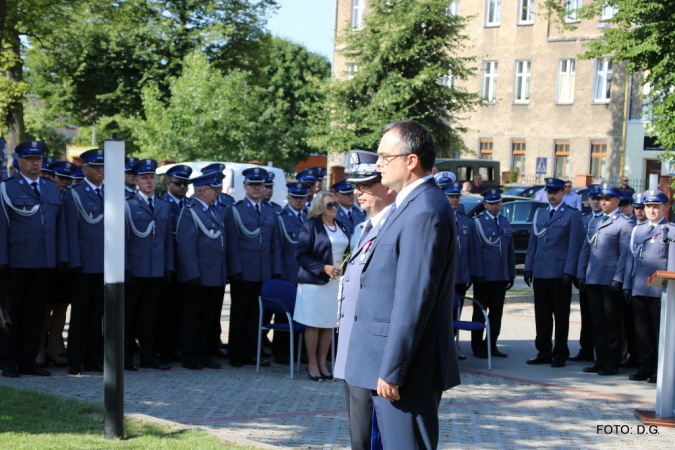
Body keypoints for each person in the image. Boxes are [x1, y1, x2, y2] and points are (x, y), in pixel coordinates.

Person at [344, 121, 459, 450]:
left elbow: (414, 298)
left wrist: (394, 368)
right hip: (385, 364)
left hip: (403, 372)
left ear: (410, 161)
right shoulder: (409, 204)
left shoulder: (424, 209)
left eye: (384, 157)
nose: (378, 164)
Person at [335, 150, 396, 450]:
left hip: (375, 356)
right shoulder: (366, 228)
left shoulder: (393, 226)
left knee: (372, 440)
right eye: (355, 185)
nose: (356, 191)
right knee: (359, 438)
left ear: (385, 185)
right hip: (353, 352)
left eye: (365, 184)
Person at [0, 140, 68, 378]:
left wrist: (61, 256)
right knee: (10, 317)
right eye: (30, 159)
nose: (35, 163)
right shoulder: (7, 188)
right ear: (19, 162)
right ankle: (8, 361)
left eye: (38, 159)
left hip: (43, 261)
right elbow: (2, 226)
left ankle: (28, 361)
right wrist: (2, 259)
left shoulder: (50, 189)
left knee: (35, 315)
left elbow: (59, 226)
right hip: (16, 260)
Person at [223, 167, 283, 368]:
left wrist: (275, 269)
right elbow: (232, 244)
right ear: (245, 187)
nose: (257, 189)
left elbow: (274, 243)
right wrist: (235, 270)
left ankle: (252, 352)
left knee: (257, 315)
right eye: (253, 185)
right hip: (244, 271)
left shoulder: (270, 211)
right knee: (239, 313)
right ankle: (236, 353)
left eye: (261, 185)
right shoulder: (236, 210)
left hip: (263, 271)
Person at [524, 178, 584, 368]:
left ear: (563, 193)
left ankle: (560, 353)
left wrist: (569, 272)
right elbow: (533, 242)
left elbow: (575, 246)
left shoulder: (572, 215)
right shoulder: (540, 213)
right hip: (541, 271)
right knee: (541, 315)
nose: (552, 195)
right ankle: (543, 351)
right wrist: (528, 267)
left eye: (555, 192)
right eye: (549, 192)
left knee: (560, 316)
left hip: (559, 273)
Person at [576, 182, 633, 376]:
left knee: (612, 323)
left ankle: (612, 362)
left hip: (610, 281)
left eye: (607, 199)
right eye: (601, 199)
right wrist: (581, 273)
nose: (603, 202)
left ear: (617, 201)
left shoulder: (624, 223)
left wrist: (619, 278)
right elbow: (586, 249)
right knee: (597, 322)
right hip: (593, 278)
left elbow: (625, 254)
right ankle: (599, 359)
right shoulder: (594, 221)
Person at [176, 171, 230, 370]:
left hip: (215, 275)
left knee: (208, 318)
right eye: (213, 189)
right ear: (203, 191)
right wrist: (192, 273)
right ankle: (190, 356)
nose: (217, 192)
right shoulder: (190, 212)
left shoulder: (212, 211)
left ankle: (204, 354)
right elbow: (186, 246)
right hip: (198, 276)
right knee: (192, 318)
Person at [124, 158, 174, 371]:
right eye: (144, 178)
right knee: (129, 316)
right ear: (135, 180)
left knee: (150, 317)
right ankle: (125, 357)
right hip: (135, 269)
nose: (149, 182)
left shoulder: (163, 205)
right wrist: (125, 268)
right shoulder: (127, 204)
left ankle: (149, 356)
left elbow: (167, 242)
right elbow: (123, 240)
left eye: (152, 178)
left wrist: (168, 267)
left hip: (156, 269)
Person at [294, 191, 349, 381]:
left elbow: (346, 252)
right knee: (314, 324)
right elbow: (301, 255)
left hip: (335, 284)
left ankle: (323, 362)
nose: (334, 207)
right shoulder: (311, 226)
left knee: (328, 324)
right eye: (329, 205)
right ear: (319, 208)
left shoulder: (340, 225)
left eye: (335, 204)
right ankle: (312, 363)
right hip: (314, 283)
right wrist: (323, 267)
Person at [62, 150, 106, 375]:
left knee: (98, 315)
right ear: (84, 169)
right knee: (80, 315)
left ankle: (94, 358)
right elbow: (70, 230)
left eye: (102, 167)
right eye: (95, 166)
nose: (100, 170)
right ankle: (75, 360)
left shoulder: (110, 193)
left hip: (104, 264)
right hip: (83, 264)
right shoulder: (75, 194)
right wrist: (74, 262)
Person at [623, 190, 675, 383]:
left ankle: (659, 369)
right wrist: (627, 285)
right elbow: (631, 258)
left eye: (655, 206)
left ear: (664, 208)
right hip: (638, 288)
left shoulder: (670, 230)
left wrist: (669, 290)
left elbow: (671, 262)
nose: (652, 210)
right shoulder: (638, 230)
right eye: (648, 206)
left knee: (658, 332)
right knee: (642, 332)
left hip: (658, 291)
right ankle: (645, 367)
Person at [35, 160, 75, 369]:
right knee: (45, 308)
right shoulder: (45, 195)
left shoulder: (70, 197)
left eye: (68, 179)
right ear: (51, 177)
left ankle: (54, 349)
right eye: (60, 178)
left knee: (61, 306)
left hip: (65, 259)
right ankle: (39, 350)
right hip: (46, 259)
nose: (64, 183)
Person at [468, 188, 515, 359]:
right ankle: (477, 346)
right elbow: (474, 251)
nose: (495, 206)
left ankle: (491, 344)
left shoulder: (504, 222)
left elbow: (510, 250)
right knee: (480, 313)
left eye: (497, 203)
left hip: (500, 276)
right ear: (485, 205)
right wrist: (477, 274)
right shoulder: (477, 222)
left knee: (496, 313)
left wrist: (511, 273)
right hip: (485, 276)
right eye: (491, 203)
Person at [157, 164, 193, 363]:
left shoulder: (190, 205)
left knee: (182, 308)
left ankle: (178, 346)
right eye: (178, 183)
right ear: (168, 183)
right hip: (168, 263)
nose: (182, 187)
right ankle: (165, 348)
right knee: (166, 310)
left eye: (186, 184)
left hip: (185, 264)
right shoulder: (162, 204)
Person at [273, 182, 309, 365]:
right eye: (295, 198)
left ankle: (299, 351)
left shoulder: (310, 216)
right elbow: (277, 248)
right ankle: (280, 352)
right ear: (288, 198)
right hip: (288, 273)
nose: (298, 201)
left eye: (302, 198)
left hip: (306, 275)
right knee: (284, 314)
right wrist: (278, 273)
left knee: (302, 315)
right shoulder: (281, 217)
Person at [569, 184, 603, 363]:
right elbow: (577, 249)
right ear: (588, 200)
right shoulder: (583, 219)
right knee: (586, 315)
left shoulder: (606, 219)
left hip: (601, 275)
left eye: (599, 198)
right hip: (585, 274)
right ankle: (586, 349)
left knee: (600, 317)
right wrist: (578, 273)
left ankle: (600, 351)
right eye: (593, 198)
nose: (596, 202)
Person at [444, 181, 471, 360]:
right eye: (451, 197)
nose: (454, 200)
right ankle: (444, 348)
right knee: (444, 313)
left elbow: (471, 250)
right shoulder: (441, 216)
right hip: (446, 275)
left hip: (461, 275)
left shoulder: (464, 219)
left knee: (457, 313)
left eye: (457, 197)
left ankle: (453, 346)